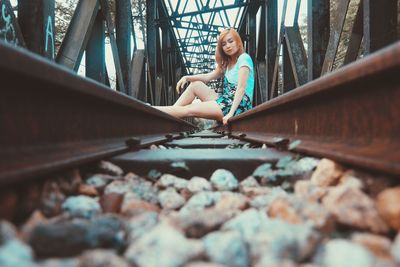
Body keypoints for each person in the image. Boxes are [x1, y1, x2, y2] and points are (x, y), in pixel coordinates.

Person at [154, 28, 254, 125]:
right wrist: (187, 78)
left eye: (230, 41)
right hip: (226, 100)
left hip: (238, 105)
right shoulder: (227, 64)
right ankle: (171, 115)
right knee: (195, 85)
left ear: (238, 42)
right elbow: (208, 76)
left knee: (189, 109)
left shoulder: (244, 58)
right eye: (224, 44)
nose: (228, 46)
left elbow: (241, 89)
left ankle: (152, 110)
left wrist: (230, 114)